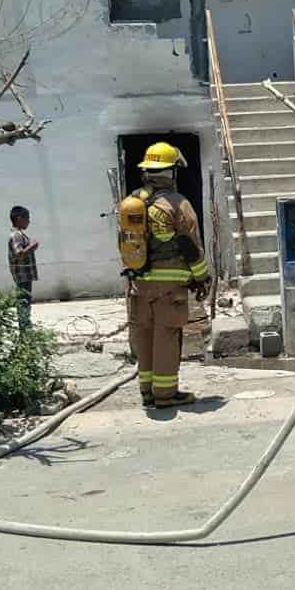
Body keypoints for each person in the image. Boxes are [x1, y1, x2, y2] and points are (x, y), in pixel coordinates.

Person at [125, 143, 210, 409]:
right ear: (171, 172)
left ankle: (147, 392)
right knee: (166, 336)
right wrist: (202, 277)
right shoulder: (177, 203)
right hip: (169, 287)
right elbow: (190, 245)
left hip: (138, 282)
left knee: (144, 335)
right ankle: (165, 395)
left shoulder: (133, 202)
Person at [8, 205, 39, 333]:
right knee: (24, 301)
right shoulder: (16, 235)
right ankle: (25, 329)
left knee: (25, 301)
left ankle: (26, 327)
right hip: (22, 275)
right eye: (27, 218)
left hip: (24, 275)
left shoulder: (20, 234)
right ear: (19, 218)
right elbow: (19, 254)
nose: (29, 221)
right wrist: (32, 246)